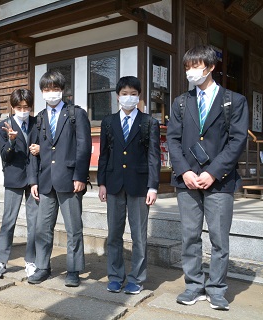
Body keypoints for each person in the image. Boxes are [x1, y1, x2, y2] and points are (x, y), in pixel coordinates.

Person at [167, 45, 248, 310]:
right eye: (187, 67)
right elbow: (173, 139)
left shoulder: (234, 101)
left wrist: (213, 172)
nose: (191, 71)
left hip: (220, 181)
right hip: (187, 180)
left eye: (196, 66)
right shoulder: (180, 102)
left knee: (218, 238)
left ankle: (216, 289)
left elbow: (237, 141)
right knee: (190, 236)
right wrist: (185, 171)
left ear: (211, 67)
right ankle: (193, 286)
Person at [28, 70, 92, 287]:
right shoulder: (39, 118)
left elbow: (84, 147)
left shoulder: (76, 114)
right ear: (42, 92)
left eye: (55, 89)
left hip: (70, 179)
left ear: (63, 90)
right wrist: (33, 181)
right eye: (47, 90)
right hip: (45, 180)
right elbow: (33, 151)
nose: (51, 93)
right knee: (42, 227)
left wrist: (80, 176)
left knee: (74, 228)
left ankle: (73, 270)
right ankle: (42, 266)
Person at [97, 76, 160, 294]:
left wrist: (153, 186)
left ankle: (137, 278)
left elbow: (154, 156)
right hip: (113, 185)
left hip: (140, 186)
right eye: (124, 94)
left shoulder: (149, 122)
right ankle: (115, 276)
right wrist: (101, 183)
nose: (128, 97)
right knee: (114, 234)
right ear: (117, 97)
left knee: (138, 235)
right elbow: (103, 154)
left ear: (139, 96)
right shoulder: (108, 122)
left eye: (133, 93)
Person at [0, 89, 40, 279]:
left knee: (34, 222)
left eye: (26, 107)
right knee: (8, 221)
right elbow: (4, 155)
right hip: (13, 178)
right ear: (12, 107)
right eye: (19, 107)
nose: (23, 111)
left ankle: (31, 261)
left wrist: (40, 149)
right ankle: (0, 262)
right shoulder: (4, 125)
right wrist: (11, 141)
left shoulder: (37, 123)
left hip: (35, 179)